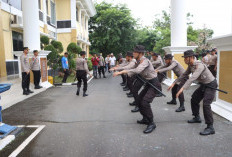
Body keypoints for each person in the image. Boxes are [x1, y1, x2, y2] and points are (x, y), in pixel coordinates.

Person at [113, 45, 161, 134]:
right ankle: (145, 118)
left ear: (140, 53)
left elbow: (137, 70)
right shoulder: (138, 61)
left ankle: (151, 123)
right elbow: (129, 67)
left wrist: (122, 72)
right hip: (148, 83)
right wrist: (118, 69)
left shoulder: (145, 61)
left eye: (135, 52)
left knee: (145, 102)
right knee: (139, 101)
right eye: (134, 51)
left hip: (154, 84)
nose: (133, 53)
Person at [170, 50, 217, 136]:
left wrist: (182, 88)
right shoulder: (190, 65)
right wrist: (174, 83)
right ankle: (197, 117)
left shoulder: (199, 65)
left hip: (211, 84)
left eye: (185, 58)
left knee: (206, 104)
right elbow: (184, 75)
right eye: (184, 58)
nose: (184, 60)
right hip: (203, 84)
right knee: (194, 99)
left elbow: (192, 78)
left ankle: (210, 127)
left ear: (191, 57)